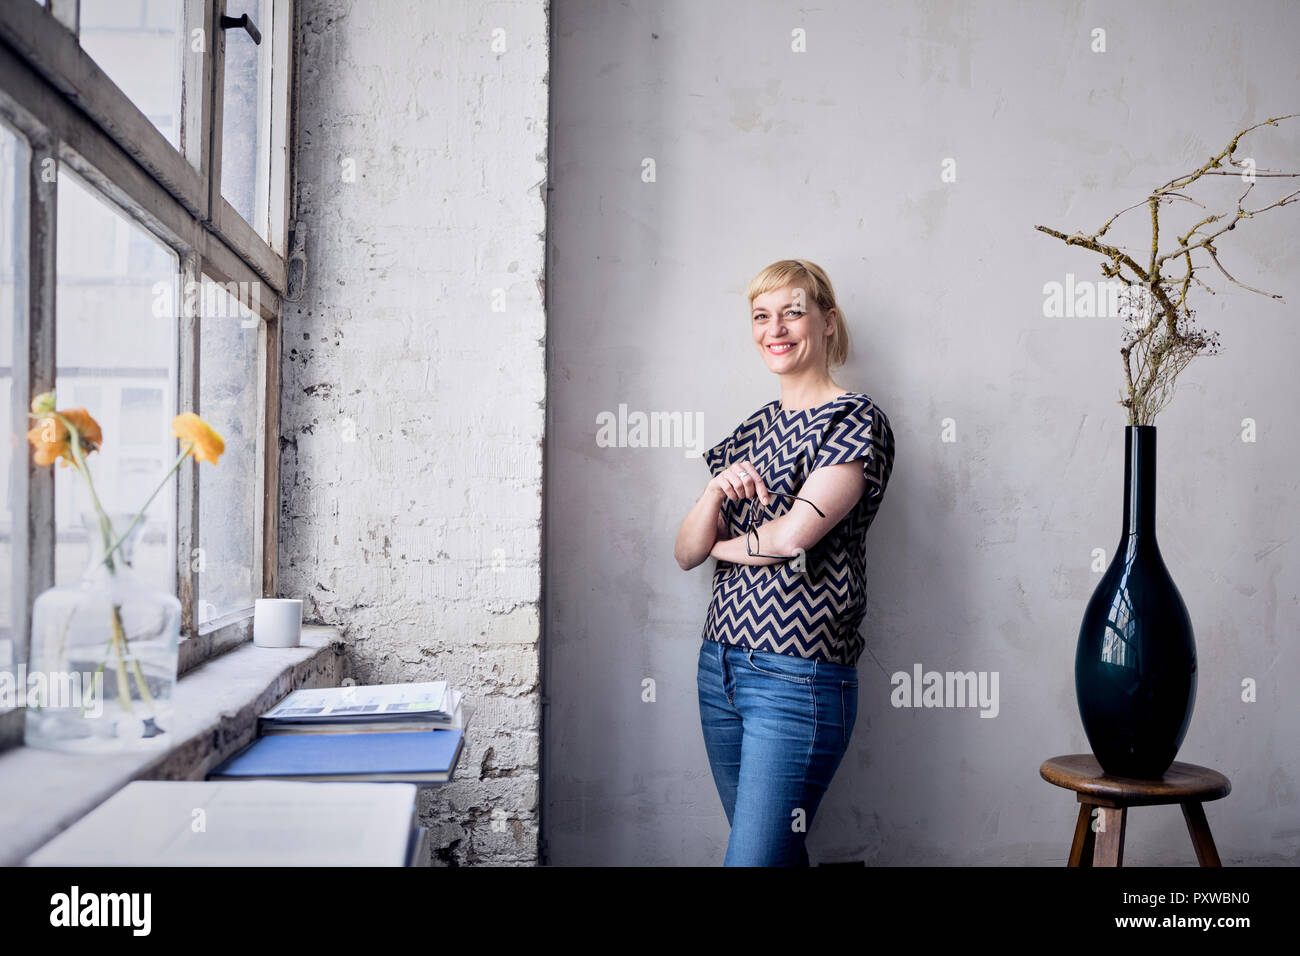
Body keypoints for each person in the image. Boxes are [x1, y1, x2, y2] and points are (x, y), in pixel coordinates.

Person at [674, 258, 896, 866]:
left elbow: (794, 535)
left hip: (797, 676)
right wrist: (716, 491)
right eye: (762, 316)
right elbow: (685, 551)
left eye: (793, 312)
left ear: (827, 321)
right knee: (775, 856)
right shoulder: (752, 430)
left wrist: (727, 546)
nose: (776, 328)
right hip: (718, 668)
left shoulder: (855, 419)